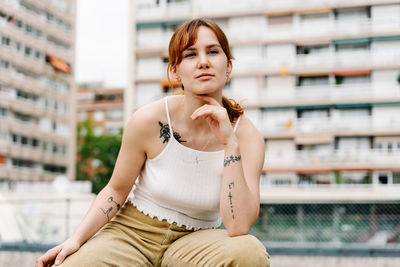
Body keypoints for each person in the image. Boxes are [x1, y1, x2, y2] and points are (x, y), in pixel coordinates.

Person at [36, 18, 270, 267]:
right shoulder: (149, 119)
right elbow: (116, 190)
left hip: (197, 243)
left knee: (250, 252)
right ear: (174, 71)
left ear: (229, 66)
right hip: (131, 236)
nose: (204, 61)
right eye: (190, 55)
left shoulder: (247, 137)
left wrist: (229, 144)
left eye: (213, 51)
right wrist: (76, 239)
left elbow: (238, 226)